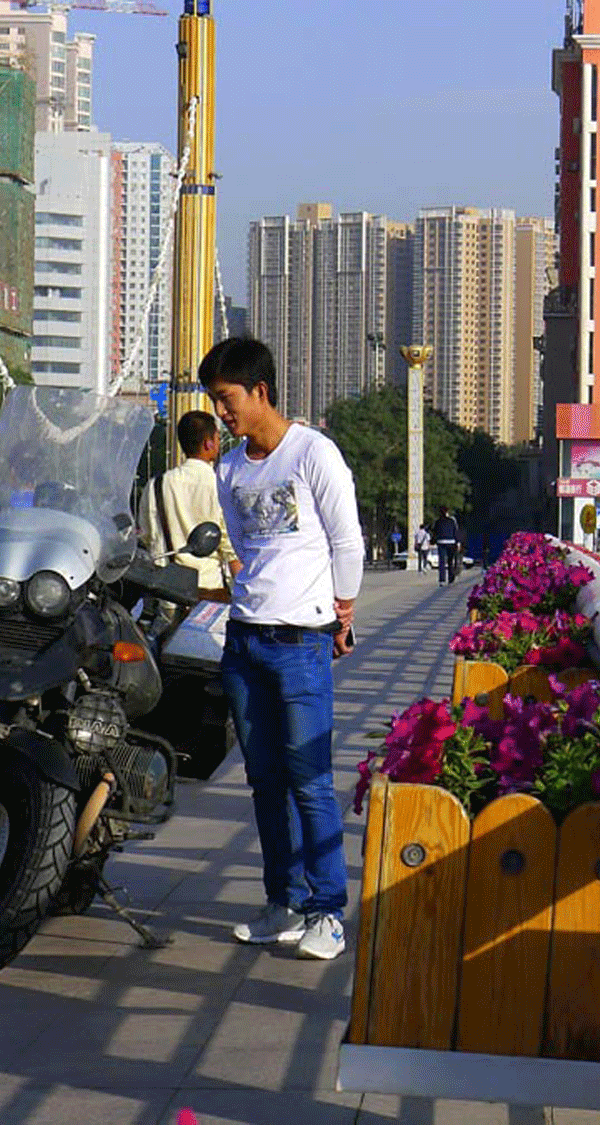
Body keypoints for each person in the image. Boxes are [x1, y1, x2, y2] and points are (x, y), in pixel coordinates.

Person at [202, 336, 364, 961]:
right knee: (265, 783)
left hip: (300, 641)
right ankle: (284, 902)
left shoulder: (313, 453)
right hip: (245, 639)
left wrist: (343, 611)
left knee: (311, 781)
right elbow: (244, 544)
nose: (222, 413)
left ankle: (328, 912)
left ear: (260, 391)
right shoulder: (230, 468)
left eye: (228, 399)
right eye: (215, 402)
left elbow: (346, 541)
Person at [137, 409, 241, 600]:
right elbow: (229, 546)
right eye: (218, 438)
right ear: (208, 443)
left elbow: (146, 535)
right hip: (208, 591)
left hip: (166, 592)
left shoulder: (155, 485)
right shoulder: (219, 486)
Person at [432, 508, 462, 585]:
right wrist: (458, 542)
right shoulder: (452, 521)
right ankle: (451, 578)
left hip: (441, 542)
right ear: (447, 512)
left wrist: (433, 541)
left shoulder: (438, 522)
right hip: (451, 542)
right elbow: (455, 532)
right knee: (450, 561)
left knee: (441, 561)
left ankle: (442, 580)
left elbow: (434, 533)